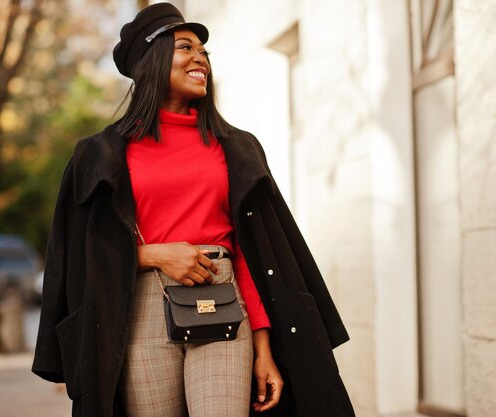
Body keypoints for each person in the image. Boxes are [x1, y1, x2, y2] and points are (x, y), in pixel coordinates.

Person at [32, 3, 355, 417]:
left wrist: (263, 346)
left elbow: (253, 255)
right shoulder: (99, 155)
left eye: (204, 52)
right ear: (151, 60)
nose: (200, 58)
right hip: (138, 308)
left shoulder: (237, 148)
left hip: (223, 296)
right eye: (185, 47)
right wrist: (152, 255)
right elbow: (75, 256)